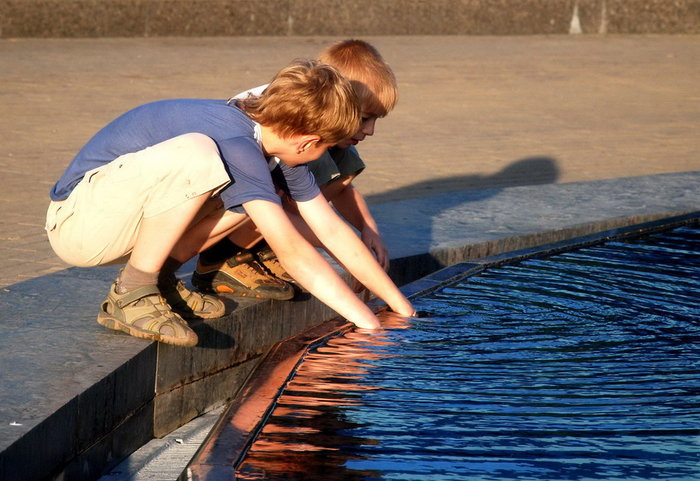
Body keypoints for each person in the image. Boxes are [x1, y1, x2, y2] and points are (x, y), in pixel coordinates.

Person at [46, 59, 415, 347]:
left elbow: (331, 228)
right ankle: (132, 292)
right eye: (325, 148)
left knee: (246, 200)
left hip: (112, 219)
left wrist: (401, 311)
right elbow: (292, 250)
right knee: (201, 153)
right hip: (79, 223)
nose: (324, 158)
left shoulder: (275, 142)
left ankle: (159, 280)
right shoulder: (235, 142)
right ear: (306, 142)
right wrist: (367, 323)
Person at [193, 39, 396, 298]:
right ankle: (220, 261)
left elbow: (345, 189)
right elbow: (305, 217)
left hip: (264, 215)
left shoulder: (338, 144)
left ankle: (262, 249)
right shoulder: (302, 143)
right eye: (364, 118)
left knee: (334, 180)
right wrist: (352, 258)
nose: (370, 130)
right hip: (225, 204)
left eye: (376, 119)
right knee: (275, 197)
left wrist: (368, 228)